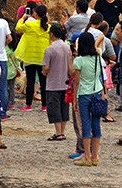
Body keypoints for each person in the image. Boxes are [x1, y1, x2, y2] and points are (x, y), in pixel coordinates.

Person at [71, 32, 105, 166]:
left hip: (84, 93)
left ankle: (87, 156)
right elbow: (100, 39)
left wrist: (74, 99)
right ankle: (95, 155)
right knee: (96, 124)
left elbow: (77, 82)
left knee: (85, 124)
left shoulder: (78, 60)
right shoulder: (98, 56)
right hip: (97, 92)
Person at [15, 5, 51, 112]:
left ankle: (28, 105)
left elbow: (18, 28)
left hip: (30, 57)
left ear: (35, 13)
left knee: (30, 81)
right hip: (43, 58)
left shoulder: (29, 24)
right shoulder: (48, 27)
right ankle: (44, 105)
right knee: (44, 82)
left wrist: (23, 18)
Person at [42, 23, 72, 141]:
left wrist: (44, 72)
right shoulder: (67, 47)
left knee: (54, 108)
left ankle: (58, 132)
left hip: (53, 83)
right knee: (64, 108)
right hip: (65, 82)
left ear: (52, 34)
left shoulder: (49, 49)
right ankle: (62, 132)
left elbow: (46, 67)